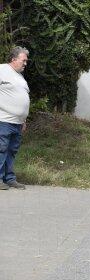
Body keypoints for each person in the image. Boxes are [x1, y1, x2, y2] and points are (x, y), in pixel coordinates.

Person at [0, 46, 30, 190]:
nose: (25, 63)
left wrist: (23, 120)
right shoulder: (2, 70)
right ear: (13, 59)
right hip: (3, 120)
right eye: (23, 60)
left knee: (12, 150)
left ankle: (9, 178)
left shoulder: (20, 77)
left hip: (17, 122)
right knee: (1, 149)